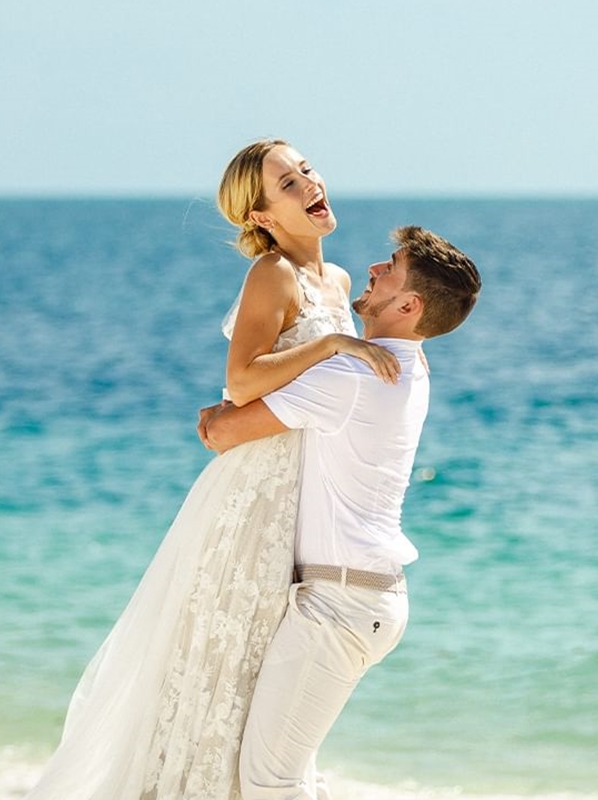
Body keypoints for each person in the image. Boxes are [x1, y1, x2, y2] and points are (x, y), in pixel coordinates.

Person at [24, 139, 399, 800]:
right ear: (259, 217)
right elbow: (241, 380)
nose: (310, 185)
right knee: (222, 666)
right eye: (288, 184)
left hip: (300, 502)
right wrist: (334, 344)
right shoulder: (273, 274)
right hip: (253, 497)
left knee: (267, 683)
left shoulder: (336, 281)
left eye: (306, 170)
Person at [202, 225, 482, 800]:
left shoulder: (354, 374)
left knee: (270, 783)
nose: (374, 269)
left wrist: (213, 416)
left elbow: (224, 430)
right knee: (292, 775)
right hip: (358, 598)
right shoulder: (412, 366)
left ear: (409, 305)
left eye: (391, 269)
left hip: (342, 604)